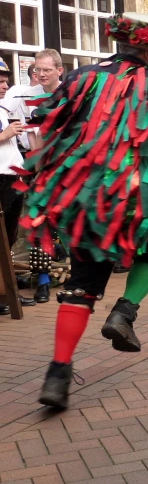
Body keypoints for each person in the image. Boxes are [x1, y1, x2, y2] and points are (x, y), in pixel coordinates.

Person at [23, 13, 148, 409]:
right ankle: (124, 312)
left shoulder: (79, 78)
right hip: (140, 200)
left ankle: (58, 372)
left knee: (82, 284)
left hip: (86, 200)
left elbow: (44, 125)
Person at [3, 49, 66, 303]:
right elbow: (14, 123)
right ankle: (41, 280)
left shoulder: (71, 95)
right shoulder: (23, 95)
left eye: (46, 70)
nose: (40, 74)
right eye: (37, 69)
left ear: (59, 71)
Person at [0, 58, 37, 312]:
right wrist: (4, 135)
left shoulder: (5, 110)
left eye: (5, 81)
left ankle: (8, 291)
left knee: (10, 239)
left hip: (13, 179)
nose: (5, 86)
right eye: (0, 81)